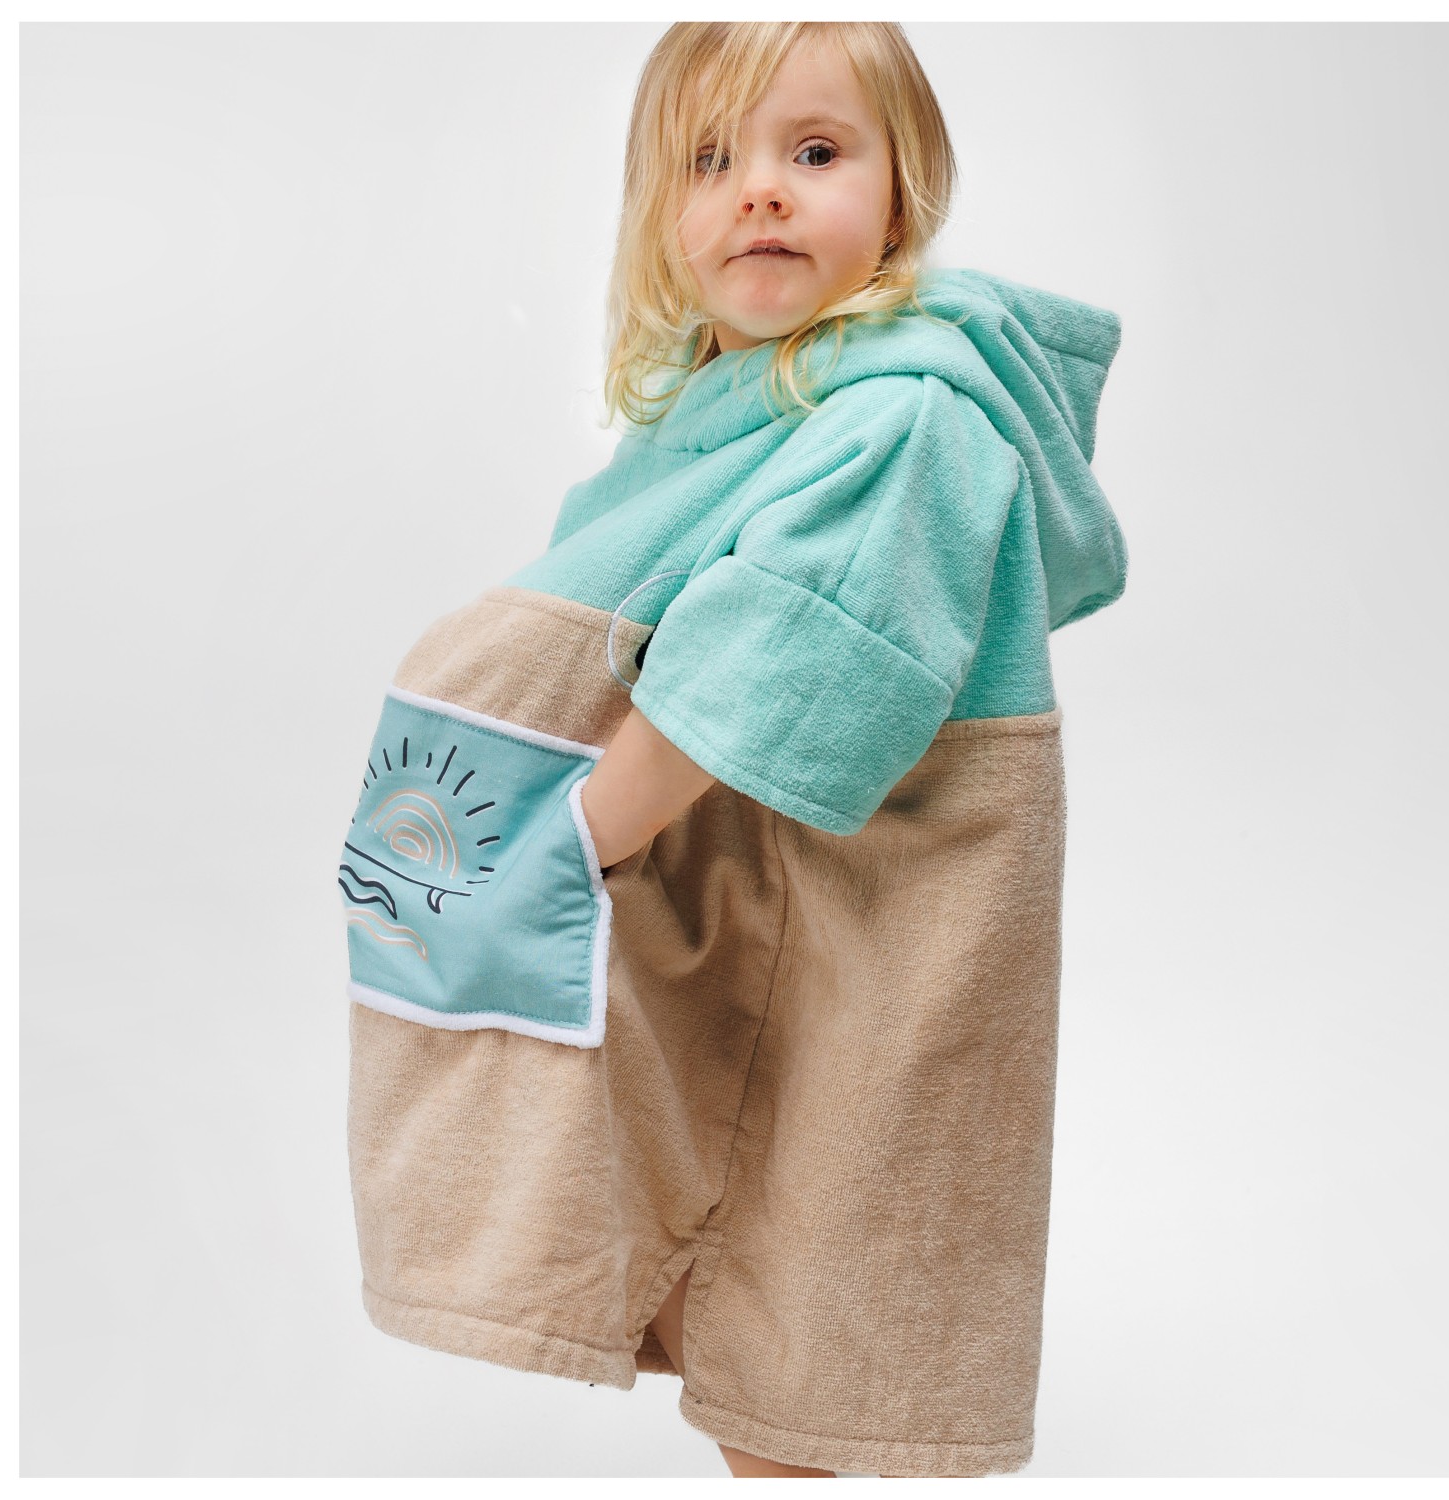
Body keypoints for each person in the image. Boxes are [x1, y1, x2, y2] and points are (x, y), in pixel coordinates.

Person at [341, 20, 1128, 1480]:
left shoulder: (904, 419)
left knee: (807, 1282)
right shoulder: (736, 403)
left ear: (901, 196)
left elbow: (765, 668)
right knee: (742, 1268)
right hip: (745, 904)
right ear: (660, 211)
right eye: (709, 159)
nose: (759, 188)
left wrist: (569, 843)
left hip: (847, 928)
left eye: (814, 152)